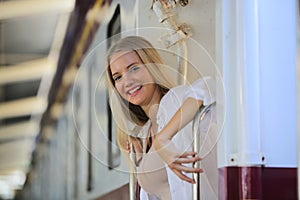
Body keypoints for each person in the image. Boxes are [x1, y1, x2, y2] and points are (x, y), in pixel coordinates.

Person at [106, 36, 217, 200]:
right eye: (118, 77)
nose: (127, 81)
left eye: (134, 68)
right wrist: (142, 160)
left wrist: (162, 139)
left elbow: (209, 87)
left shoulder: (174, 101)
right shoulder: (146, 133)